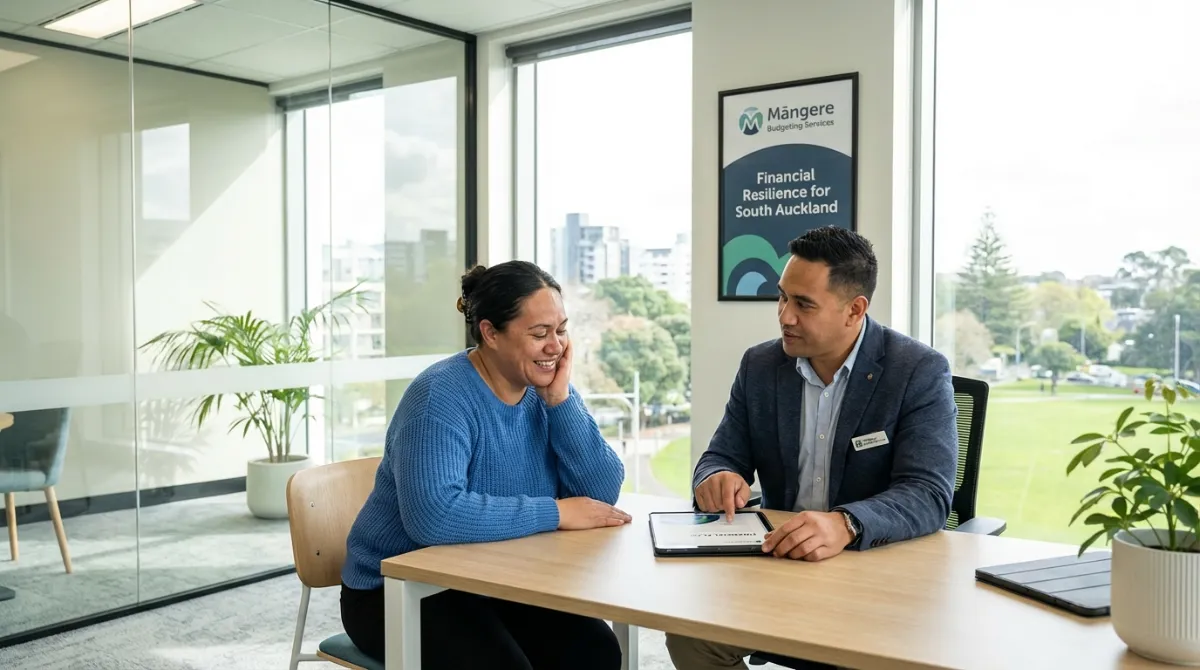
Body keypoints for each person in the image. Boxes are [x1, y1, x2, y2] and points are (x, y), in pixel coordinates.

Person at [666, 226, 958, 670]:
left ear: (854, 309)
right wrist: (716, 476)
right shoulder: (761, 365)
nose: (785, 316)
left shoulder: (917, 370)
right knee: (691, 637)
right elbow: (722, 454)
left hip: (873, 571)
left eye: (804, 304)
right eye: (782, 297)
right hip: (780, 565)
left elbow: (927, 493)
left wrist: (847, 524)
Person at [340, 260, 631, 670]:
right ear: (491, 333)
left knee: (596, 652)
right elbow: (434, 517)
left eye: (561, 330)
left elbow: (600, 494)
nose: (555, 347)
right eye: (539, 334)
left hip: (497, 576)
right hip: (397, 591)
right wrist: (557, 512)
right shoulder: (439, 397)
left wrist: (560, 401)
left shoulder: (546, 390)